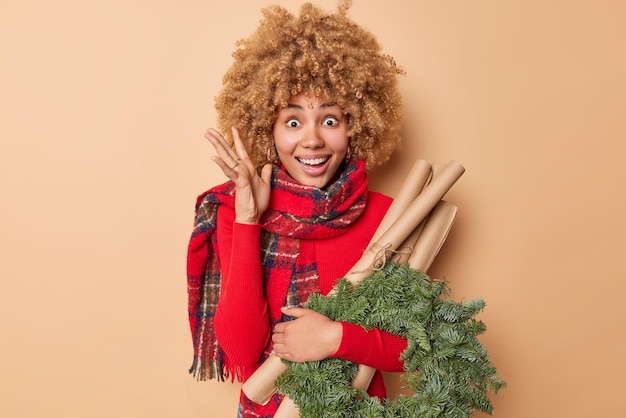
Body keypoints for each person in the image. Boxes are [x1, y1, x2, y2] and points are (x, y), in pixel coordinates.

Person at [186, 2, 407, 416]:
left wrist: (336, 338)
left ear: (356, 124)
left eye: (329, 120)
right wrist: (249, 220)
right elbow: (240, 349)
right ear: (267, 128)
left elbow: (416, 346)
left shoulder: (390, 217)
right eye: (292, 121)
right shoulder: (238, 215)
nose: (312, 141)